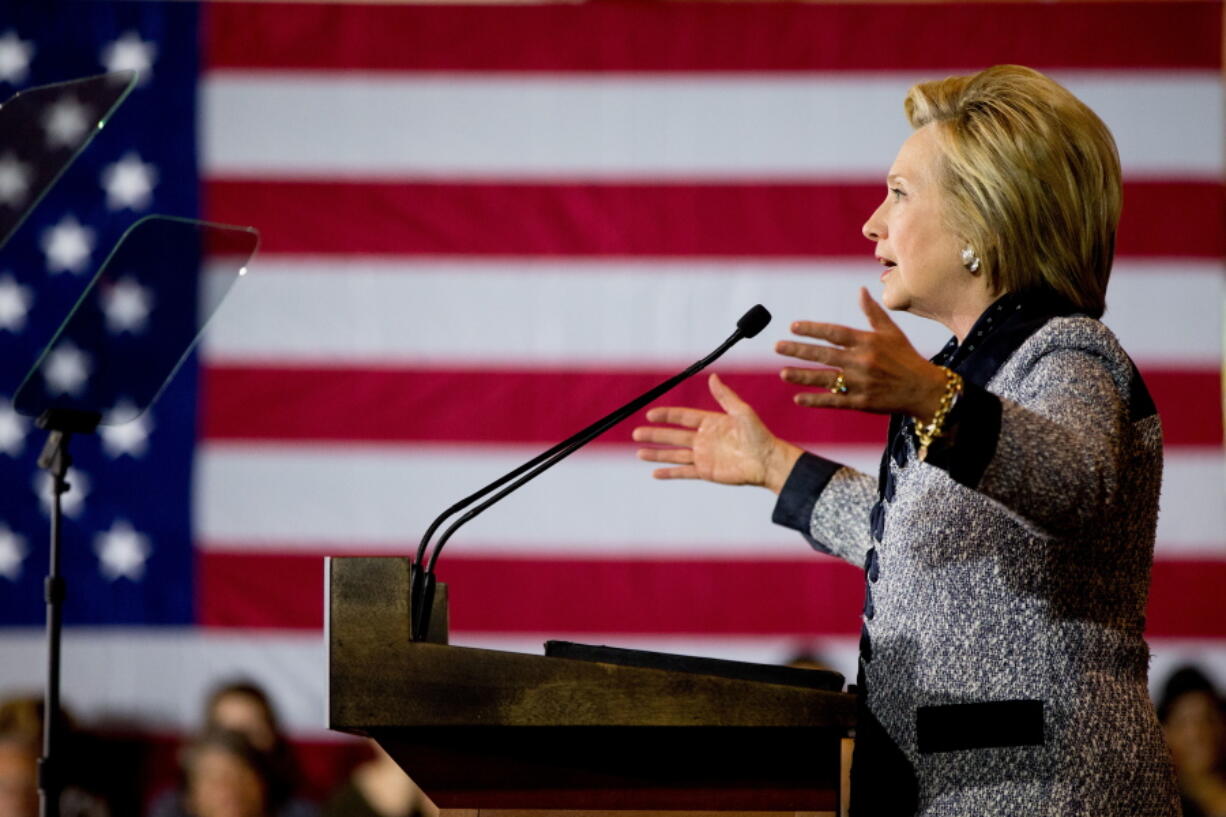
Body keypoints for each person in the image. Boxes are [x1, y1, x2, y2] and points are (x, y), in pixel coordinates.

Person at [633, 65, 1179, 815]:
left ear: (984, 219)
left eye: (899, 192)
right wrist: (777, 468)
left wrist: (929, 395)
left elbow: (1076, 483)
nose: (871, 223)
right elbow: (931, 547)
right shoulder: (968, 372)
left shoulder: (1069, 352)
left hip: (1048, 790)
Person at [1157, 666, 1226, 816]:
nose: (1197, 734)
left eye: (1208, 719)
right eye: (1183, 723)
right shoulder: (1158, 805)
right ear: (1165, 732)